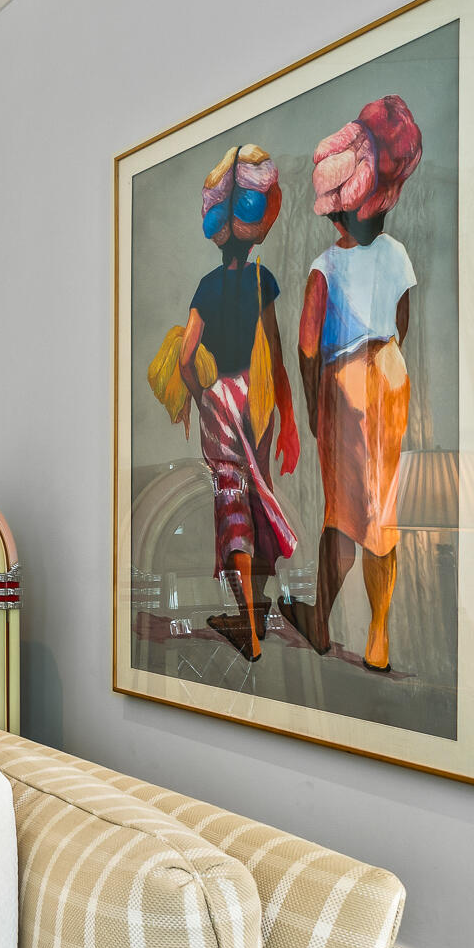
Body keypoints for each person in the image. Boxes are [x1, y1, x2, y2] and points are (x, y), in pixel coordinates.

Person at [283, 95, 423, 672]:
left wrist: (317, 403)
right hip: (392, 375)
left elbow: (308, 345)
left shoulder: (324, 267)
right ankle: (379, 639)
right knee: (382, 509)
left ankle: (319, 623)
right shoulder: (397, 255)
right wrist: (385, 362)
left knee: (341, 514)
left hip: (345, 383)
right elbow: (405, 319)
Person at [177, 144, 301, 660]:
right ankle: (255, 613)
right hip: (259, 397)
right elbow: (273, 353)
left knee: (231, 501)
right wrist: (288, 417)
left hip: (221, 398)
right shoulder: (261, 279)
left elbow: (186, 356)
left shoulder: (206, 286)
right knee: (257, 494)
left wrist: (201, 395)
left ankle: (248, 626)